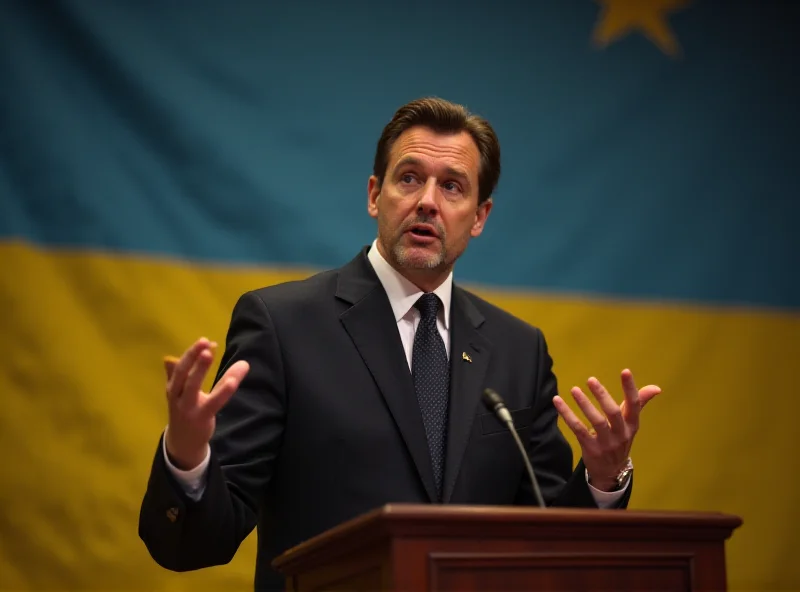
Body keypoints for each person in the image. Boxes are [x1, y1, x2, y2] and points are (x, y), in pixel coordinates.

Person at [138, 97, 661, 591]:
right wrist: (188, 456)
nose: (428, 202)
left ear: (479, 217)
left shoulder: (517, 350)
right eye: (409, 178)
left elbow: (551, 546)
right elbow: (193, 544)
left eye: (453, 186)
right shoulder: (283, 325)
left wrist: (602, 478)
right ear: (374, 195)